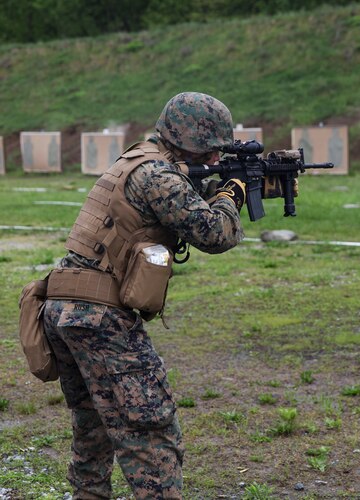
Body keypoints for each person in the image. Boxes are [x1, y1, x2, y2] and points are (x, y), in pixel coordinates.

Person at [43, 91, 245, 499]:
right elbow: (215, 234)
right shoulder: (159, 175)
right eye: (211, 150)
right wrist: (231, 195)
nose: (215, 159)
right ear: (193, 140)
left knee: (94, 427)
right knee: (151, 430)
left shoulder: (137, 160)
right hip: (98, 316)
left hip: (62, 306)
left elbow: (171, 213)